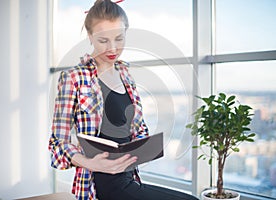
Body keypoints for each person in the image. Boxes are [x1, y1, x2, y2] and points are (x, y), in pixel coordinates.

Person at [48, 0, 199, 199]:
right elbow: (57, 144)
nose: (113, 48)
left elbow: (138, 128)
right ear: (90, 37)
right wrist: (91, 162)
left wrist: (144, 146)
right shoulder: (73, 78)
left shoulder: (126, 75)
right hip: (100, 185)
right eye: (103, 40)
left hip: (129, 177)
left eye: (119, 38)